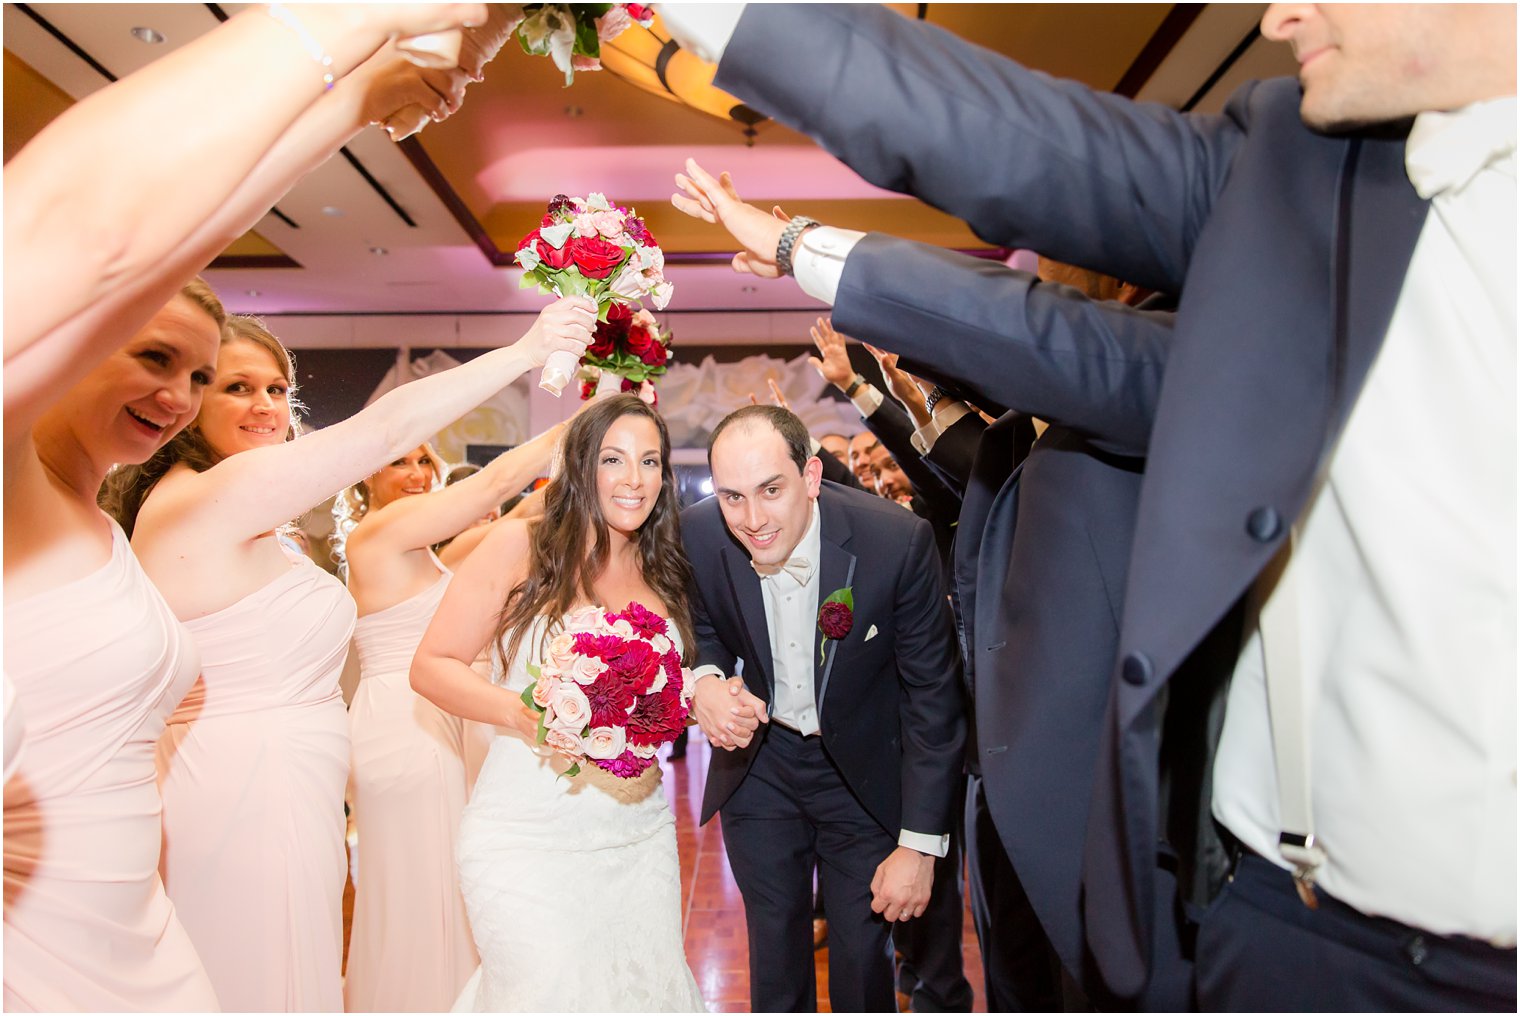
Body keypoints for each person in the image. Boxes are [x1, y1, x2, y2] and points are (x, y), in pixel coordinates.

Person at [661, 3, 1517, 1009]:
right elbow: (1026, 197)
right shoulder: (1318, 178)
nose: (1277, 15)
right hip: (1285, 926)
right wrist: (805, 243)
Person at [102, 304, 590, 1011]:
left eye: (275, 388)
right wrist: (525, 351)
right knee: (256, 974)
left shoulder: (244, 513)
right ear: (185, 403)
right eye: (235, 387)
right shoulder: (213, 497)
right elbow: (386, 429)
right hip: (245, 785)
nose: (266, 405)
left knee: (289, 970)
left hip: (289, 782)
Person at [411, 395, 705, 1013]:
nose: (634, 479)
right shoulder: (519, 546)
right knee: (541, 990)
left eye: (650, 462)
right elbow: (430, 667)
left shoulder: (667, 570)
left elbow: (675, 689)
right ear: (579, 466)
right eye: (614, 459)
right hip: (526, 830)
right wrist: (523, 713)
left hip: (636, 832)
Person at [683, 404, 966, 1012]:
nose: (752, 520)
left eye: (771, 491)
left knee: (863, 964)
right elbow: (698, 624)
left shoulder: (895, 540)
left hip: (860, 771)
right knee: (775, 956)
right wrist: (704, 677)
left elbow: (932, 698)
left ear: (811, 477)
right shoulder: (701, 532)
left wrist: (919, 845)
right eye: (732, 497)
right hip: (760, 769)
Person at [338, 422, 571, 1013]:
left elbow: (529, 513)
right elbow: (497, 484)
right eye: (400, 464)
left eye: (424, 462)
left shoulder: (432, 553)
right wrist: (571, 427)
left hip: (443, 723)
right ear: (369, 475)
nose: (417, 475)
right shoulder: (376, 535)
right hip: (403, 727)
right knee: (419, 890)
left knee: (453, 888)